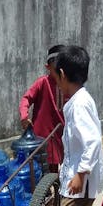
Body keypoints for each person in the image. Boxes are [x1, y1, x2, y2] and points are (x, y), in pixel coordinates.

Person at [50, 45, 103, 206]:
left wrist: (80, 174)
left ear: (62, 73)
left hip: (81, 177)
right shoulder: (79, 100)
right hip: (82, 175)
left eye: (55, 76)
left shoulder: (79, 104)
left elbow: (91, 140)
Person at [19, 44, 66, 172]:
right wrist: (24, 116)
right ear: (48, 67)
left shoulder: (68, 84)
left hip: (61, 135)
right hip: (43, 136)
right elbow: (26, 98)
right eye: (55, 64)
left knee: (58, 169)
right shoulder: (42, 83)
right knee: (42, 169)